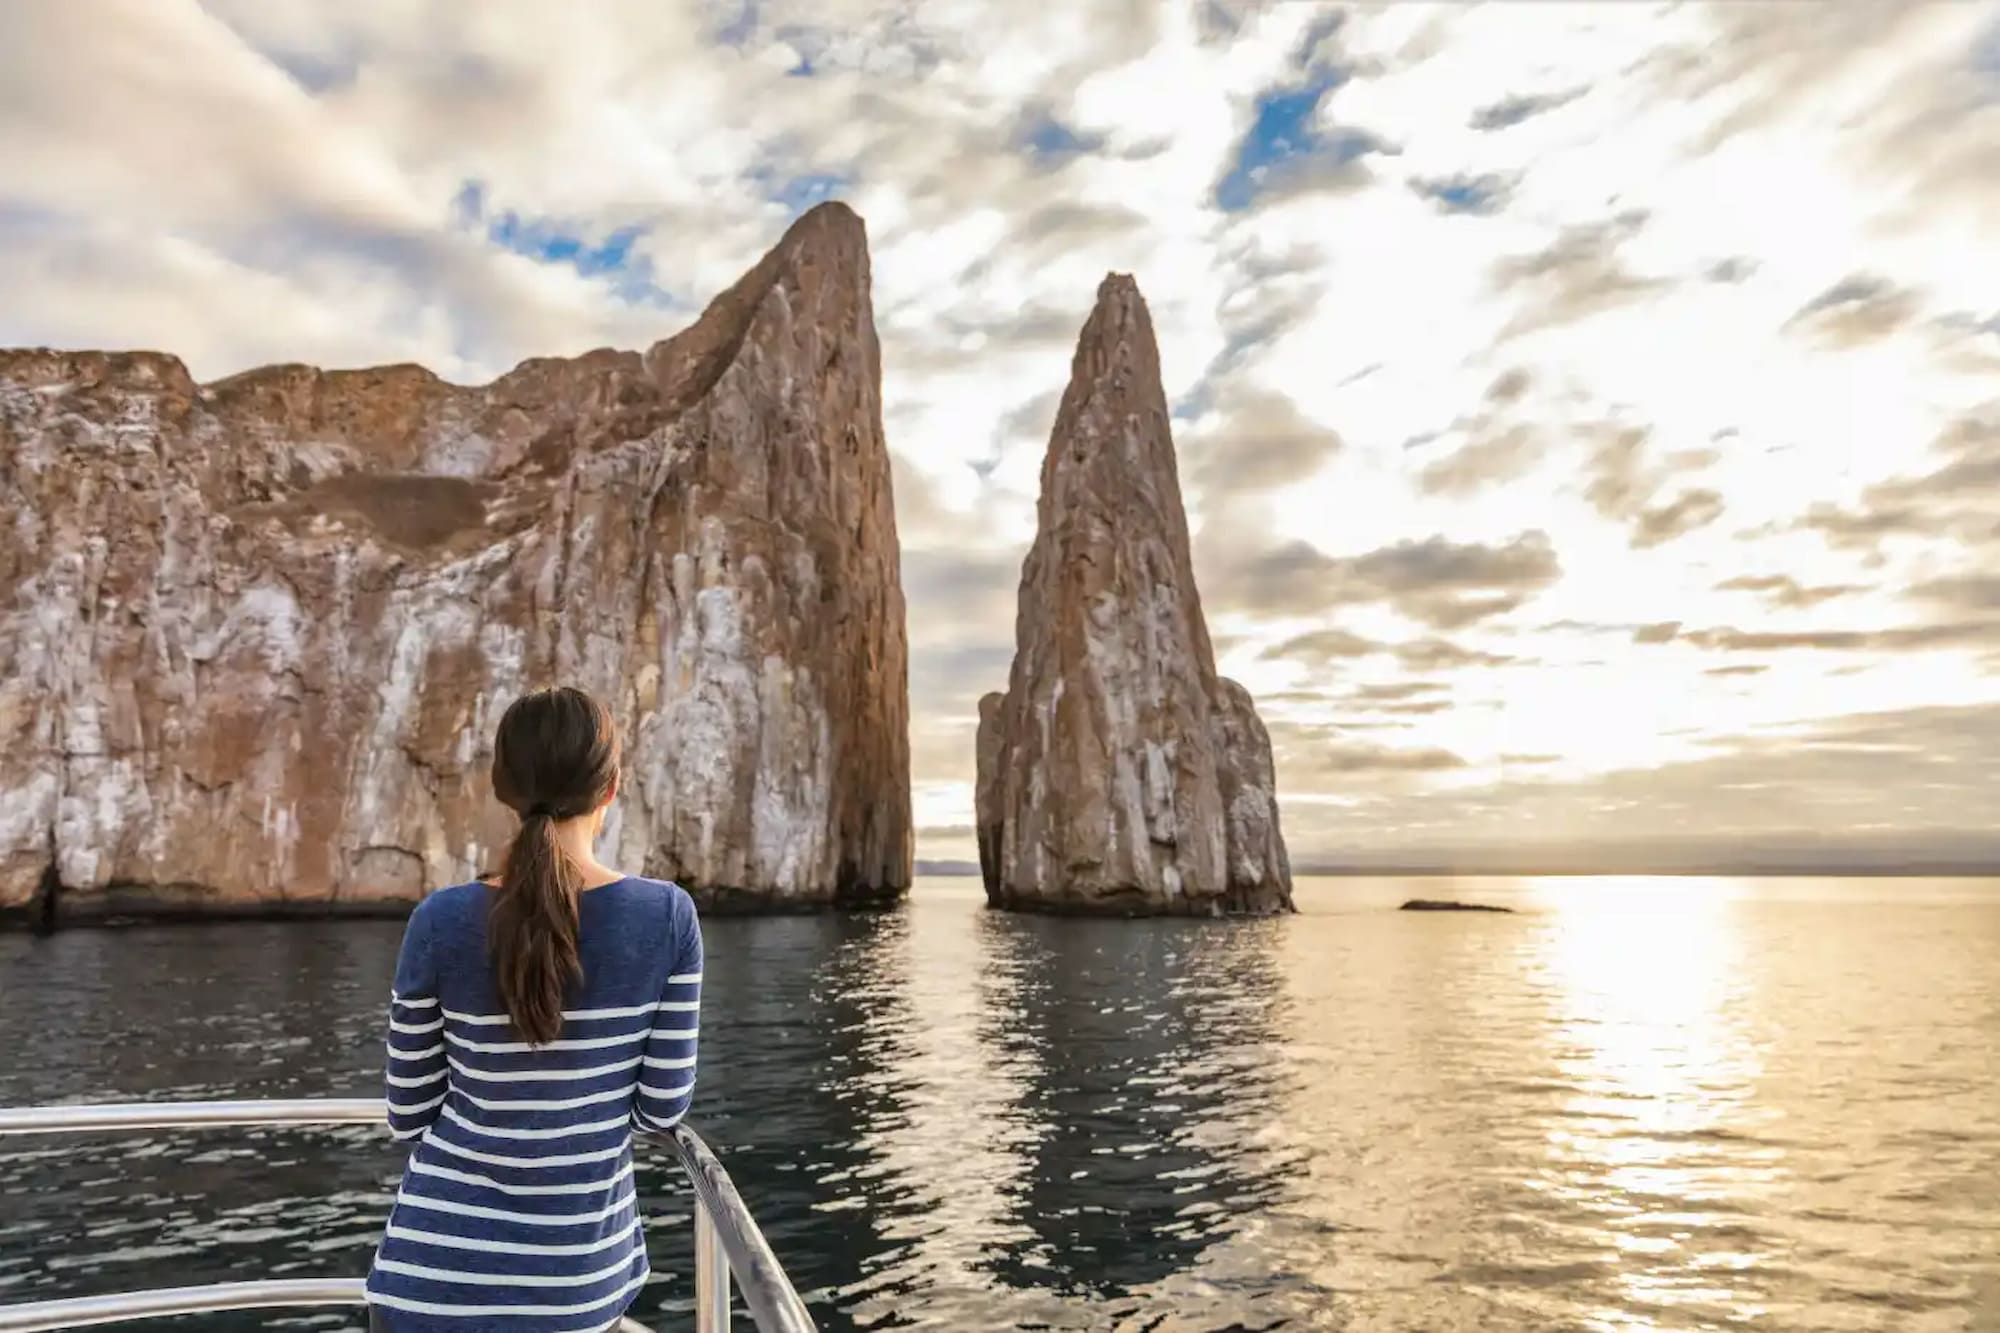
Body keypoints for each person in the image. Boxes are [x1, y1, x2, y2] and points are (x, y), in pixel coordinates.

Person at [363, 686, 702, 1333]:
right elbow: (661, 1107)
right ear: (612, 785)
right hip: (570, 1289)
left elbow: (408, 1112)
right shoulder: (667, 918)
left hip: (428, 1285)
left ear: (503, 788)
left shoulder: (439, 920)